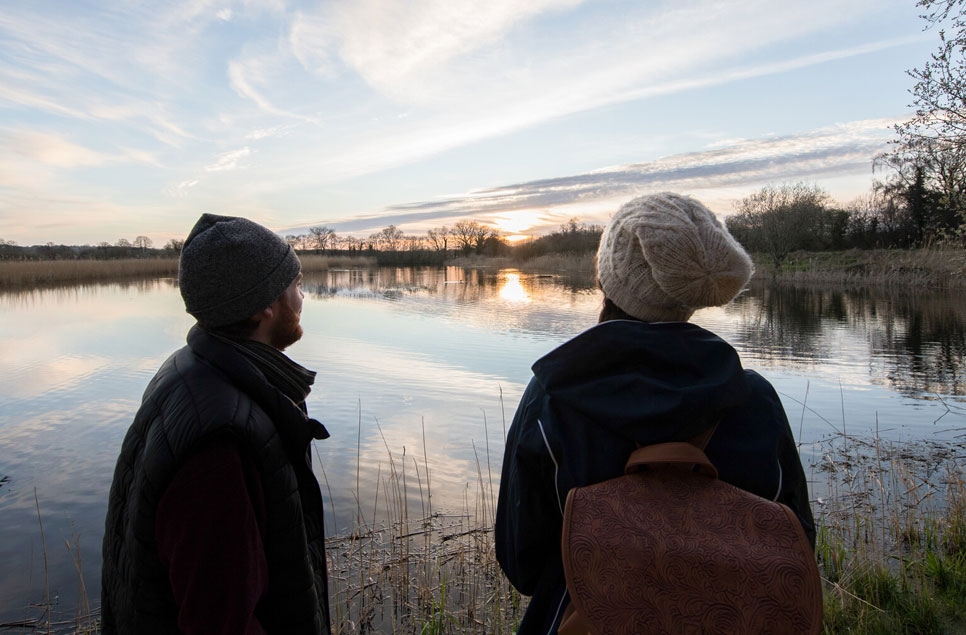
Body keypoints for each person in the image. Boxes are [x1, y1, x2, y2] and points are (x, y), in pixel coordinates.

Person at [495, 192, 815, 635]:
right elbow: (796, 543)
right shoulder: (753, 397)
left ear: (608, 279)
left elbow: (523, 566)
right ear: (690, 294)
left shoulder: (553, 399)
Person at [101, 214, 331, 634]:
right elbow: (221, 619)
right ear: (265, 303)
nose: (302, 298)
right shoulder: (219, 444)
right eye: (296, 285)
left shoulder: (193, 371)